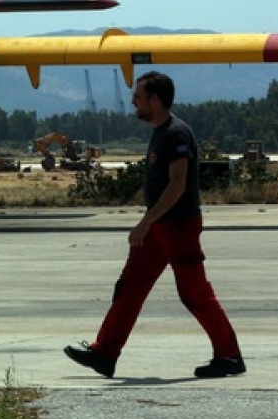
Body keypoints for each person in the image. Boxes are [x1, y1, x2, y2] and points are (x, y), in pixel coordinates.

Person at [64, 71, 245, 379]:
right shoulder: (160, 131)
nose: (133, 100)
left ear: (155, 100)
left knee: (194, 293)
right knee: (129, 287)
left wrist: (145, 221)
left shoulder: (176, 133)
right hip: (158, 228)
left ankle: (229, 355)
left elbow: (177, 185)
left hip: (177, 227)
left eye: (139, 95)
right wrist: (149, 223)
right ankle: (104, 353)